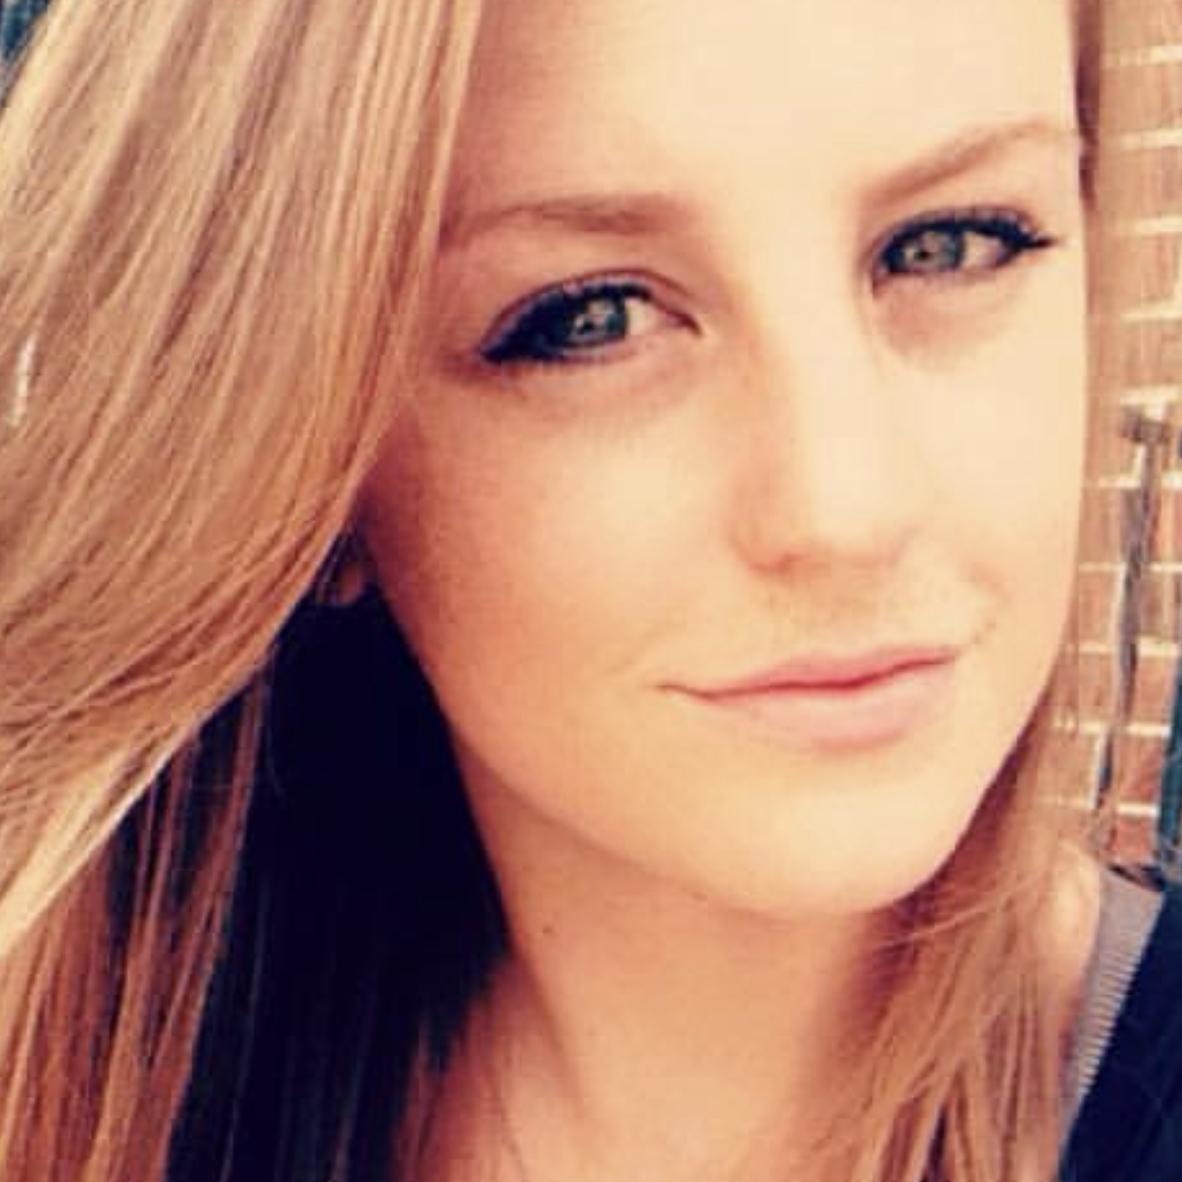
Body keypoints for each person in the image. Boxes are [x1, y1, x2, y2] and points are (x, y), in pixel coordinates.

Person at [0, 0, 1176, 1179]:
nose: (846, 515)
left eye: (951, 244)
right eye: (590, 318)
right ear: (311, 462)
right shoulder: (95, 1097)